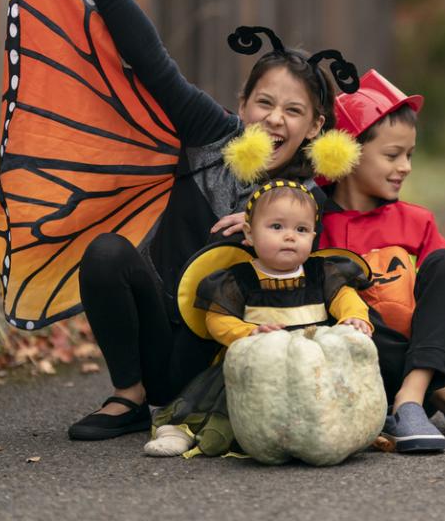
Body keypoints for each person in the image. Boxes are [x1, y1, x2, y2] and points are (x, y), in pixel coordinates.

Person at [15, 0, 358, 440]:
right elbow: (152, 62)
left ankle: (197, 413)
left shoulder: (316, 197)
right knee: (107, 253)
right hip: (161, 336)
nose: (275, 119)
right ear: (243, 105)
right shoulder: (209, 134)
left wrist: (267, 241)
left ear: (314, 127)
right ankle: (129, 397)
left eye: (294, 110)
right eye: (264, 102)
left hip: (232, 364)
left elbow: (334, 293)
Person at [318, 70, 445, 453]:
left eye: (409, 155)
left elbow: (444, 298)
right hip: (357, 369)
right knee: (329, 291)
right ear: (349, 152)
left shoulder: (415, 220)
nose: (405, 166)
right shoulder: (313, 223)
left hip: (424, 360)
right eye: (392, 155)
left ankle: (412, 397)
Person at [145, 180, 372, 458]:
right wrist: (248, 332)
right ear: (250, 234)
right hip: (255, 368)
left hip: (311, 369)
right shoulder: (239, 279)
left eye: (301, 229)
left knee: (324, 408)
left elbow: (345, 298)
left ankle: (311, 438)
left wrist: (354, 318)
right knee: (225, 407)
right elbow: (218, 320)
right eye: (276, 227)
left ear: (313, 235)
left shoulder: (322, 272)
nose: (290, 236)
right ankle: (182, 431)